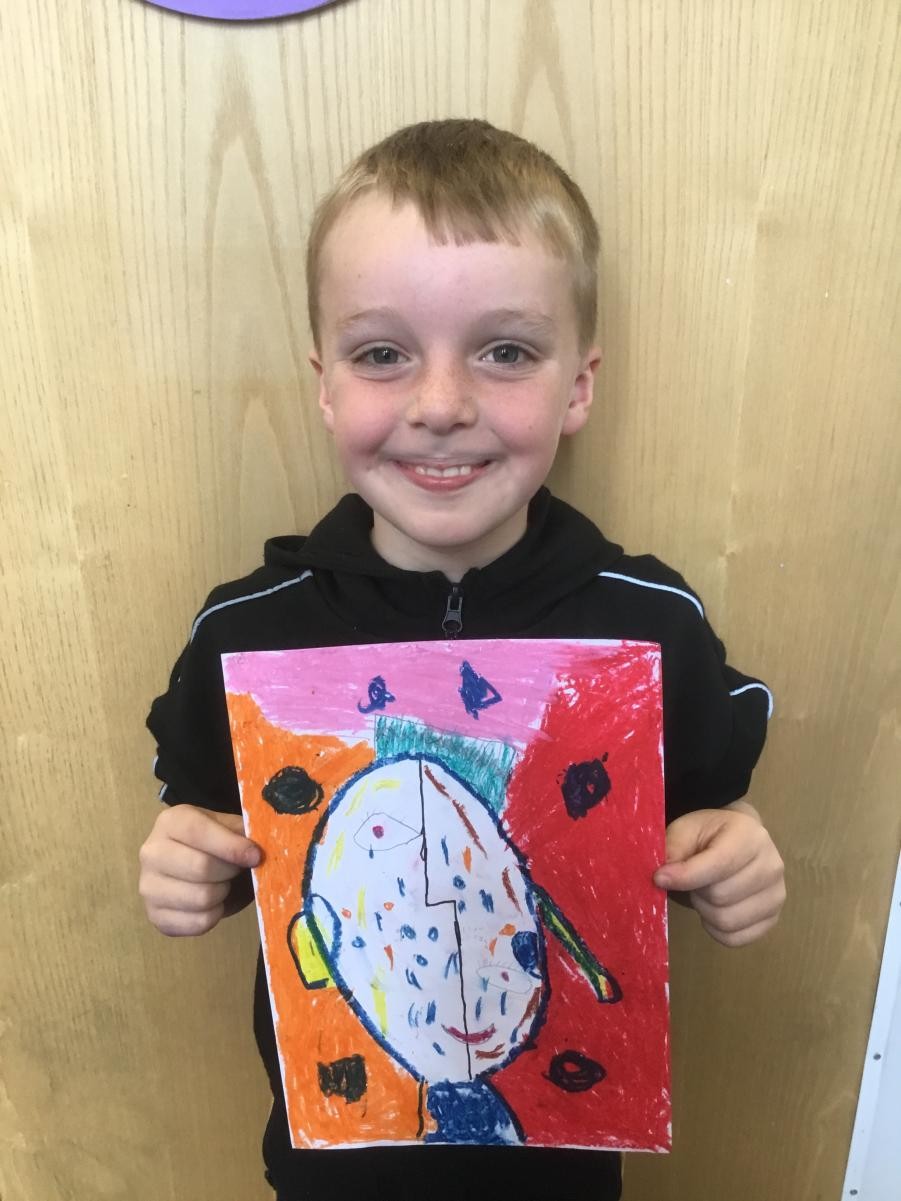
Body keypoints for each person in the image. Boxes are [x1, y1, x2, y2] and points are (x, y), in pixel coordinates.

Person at [139, 119, 786, 1201]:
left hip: (563, 1167)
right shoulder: (246, 631)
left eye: (505, 351)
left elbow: (705, 810)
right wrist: (186, 864)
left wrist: (735, 856)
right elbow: (206, 813)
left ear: (578, 386)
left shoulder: (646, 623)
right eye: (382, 354)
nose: (440, 405)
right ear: (325, 384)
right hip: (334, 1166)